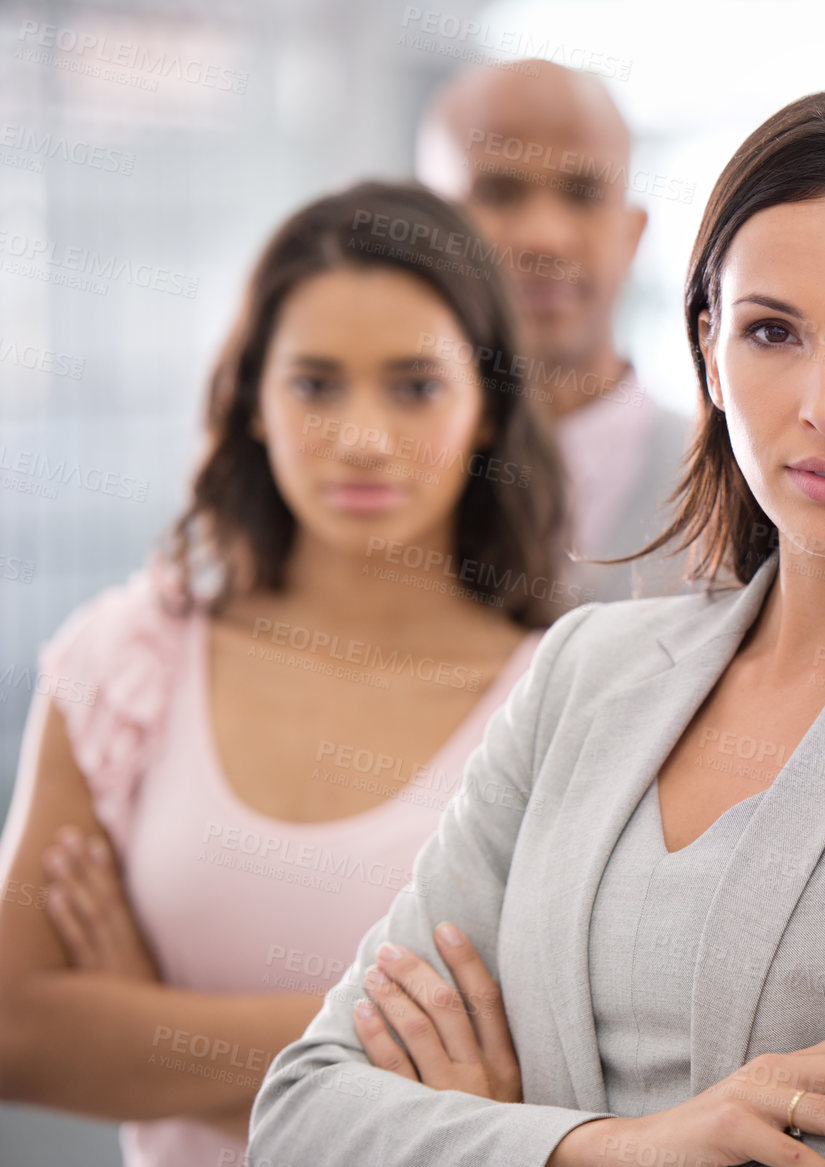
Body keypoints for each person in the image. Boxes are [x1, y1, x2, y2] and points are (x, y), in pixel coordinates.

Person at [248, 77, 825, 1167]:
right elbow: (300, 1115)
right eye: (772, 330)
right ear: (708, 347)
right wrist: (611, 1147)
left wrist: (495, 1131)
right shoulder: (585, 669)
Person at [0, 182, 569, 1167]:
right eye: (314, 384)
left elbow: (555, 1081)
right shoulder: (127, 663)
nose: (360, 437)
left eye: (413, 385)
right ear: (253, 401)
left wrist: (148, 1028)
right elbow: (14, 1034)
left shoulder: (564, 701)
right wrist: (388, 1070)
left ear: (485, 408)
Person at [417, 59, 694, 603]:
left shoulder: (736, 488)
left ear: (632, 234)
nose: (545, 238)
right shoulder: (373, 477)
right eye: (498, 192)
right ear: (430, 234)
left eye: (584, 194)